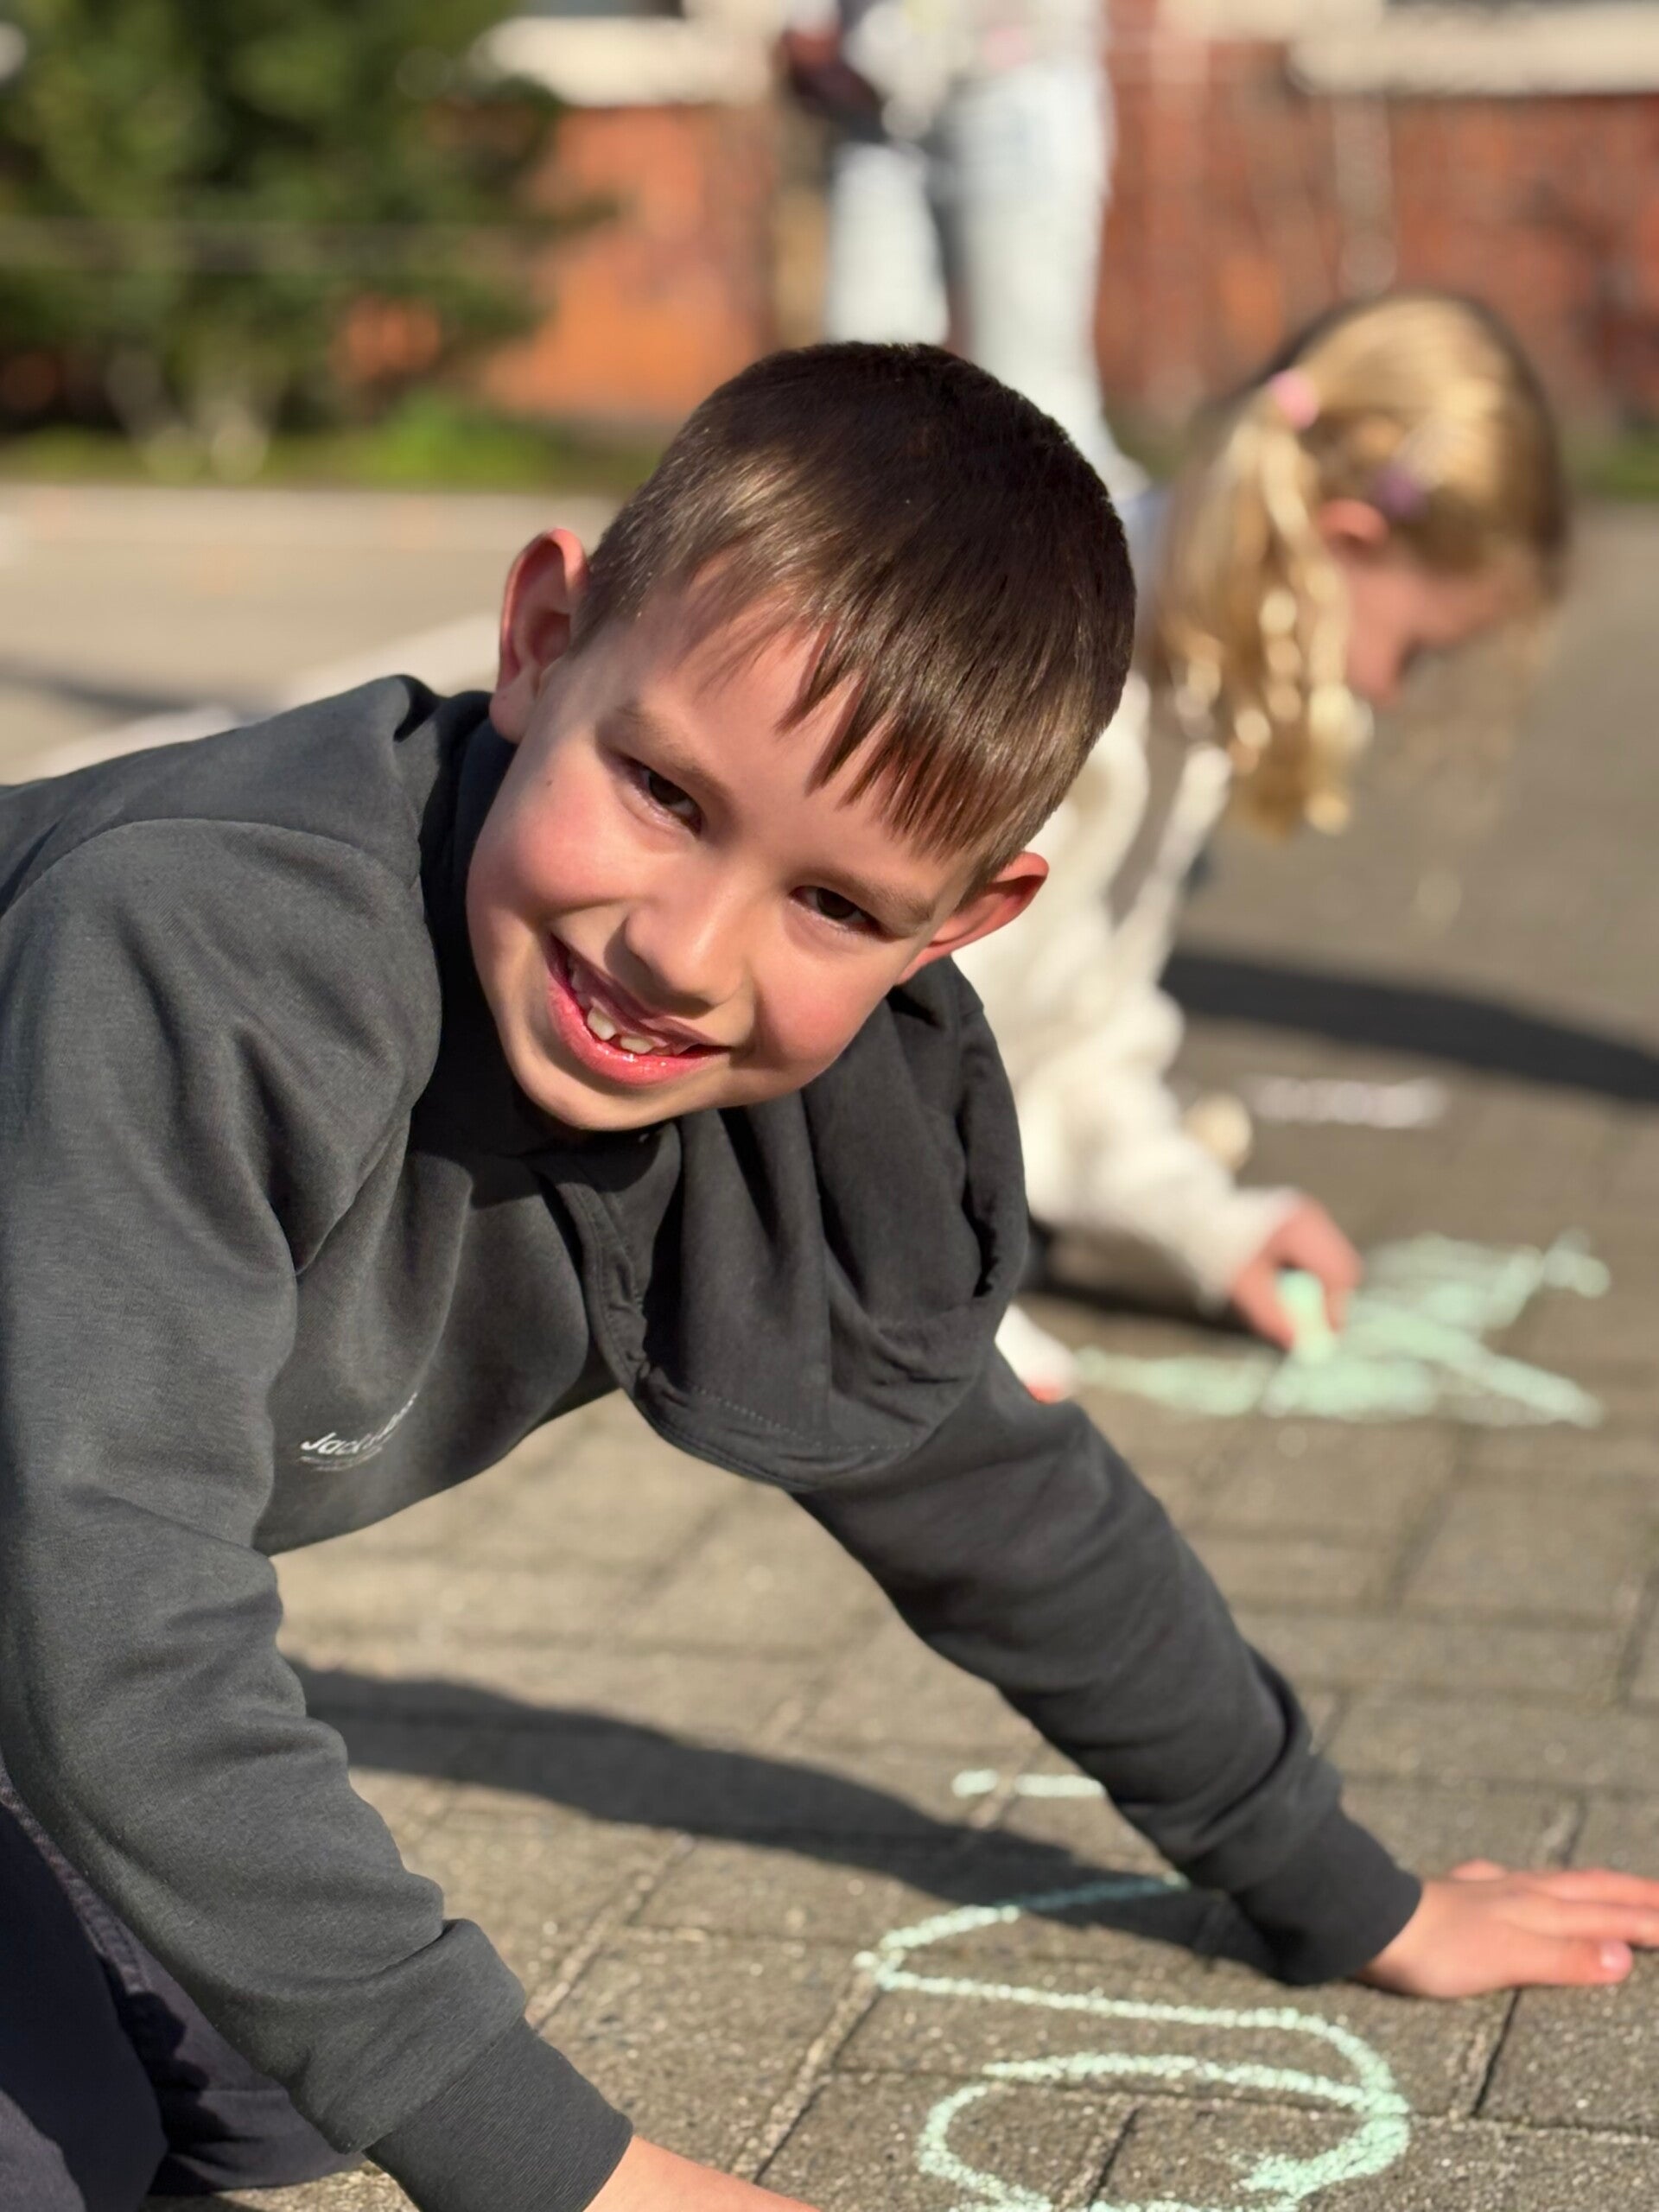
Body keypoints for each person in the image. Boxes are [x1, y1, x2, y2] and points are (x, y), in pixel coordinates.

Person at [0, 343, 1648, 2212]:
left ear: (962, 922)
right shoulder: (197, 950)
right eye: (664, 791)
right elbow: (109, 1605)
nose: (688, 952)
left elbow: (1006, 1512)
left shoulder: (796, 1097)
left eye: (837, 903)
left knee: (266, 2096)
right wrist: (575, 2178)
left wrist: (1345, 1889)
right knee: (76, 2143)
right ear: (541, 641)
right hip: (44, 1581)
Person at [959, 293, 1570, 1394]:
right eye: (1415, 651)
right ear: (1344, 541)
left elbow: (1060, 1044)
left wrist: (1201, 1220)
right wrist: (933, 1319)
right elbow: (850, 1040)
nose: (1393, 692)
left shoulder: (1180, 689)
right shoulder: (1046, 665)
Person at [780, 0, 1144, 499]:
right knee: (859, 390)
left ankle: (1109, 540)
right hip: (873, 94)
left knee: (1033, 399)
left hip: (1011, 70)